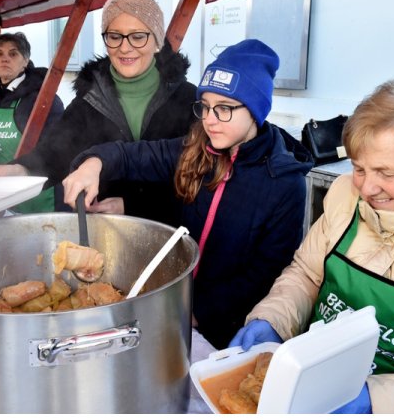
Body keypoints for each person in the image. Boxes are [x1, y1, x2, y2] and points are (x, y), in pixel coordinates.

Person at [63, 39, 313, 349]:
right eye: (205, 106)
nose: (209, 119)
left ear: (255, 110)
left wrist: (200, 312)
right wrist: (94, 163)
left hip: (228, 329)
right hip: (174, 304)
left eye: (224, 108)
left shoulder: (284, 182)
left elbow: (267, 273)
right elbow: (133, 156)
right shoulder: (194, 148)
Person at [227, 82, 394, 413]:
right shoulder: (344, 196)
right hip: (308, 387)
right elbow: (306, 275)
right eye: (359, 168)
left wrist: (376, 399)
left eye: (386, 172)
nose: (368, 187)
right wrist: (271, 320)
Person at [0, 0, 197, 223]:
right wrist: (20, 170)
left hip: (169, 229)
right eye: (114, 36)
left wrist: (133, 204)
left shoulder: (187, 99)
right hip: (104, 226)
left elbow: (197, 176)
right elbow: (56, 151)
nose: (125, 47)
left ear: (157, 41)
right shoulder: (91, 98)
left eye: (138, 36)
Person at [0, 32, 64, 213]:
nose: (5, 59)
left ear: (25, 61)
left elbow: (59, 149)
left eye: (13, 54)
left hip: (36, 200)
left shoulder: (43, 100)